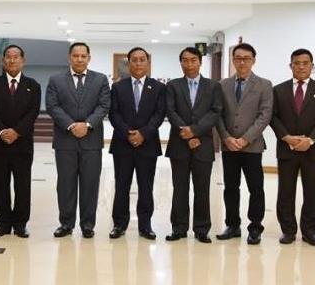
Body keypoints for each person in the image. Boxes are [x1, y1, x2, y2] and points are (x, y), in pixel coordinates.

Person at [45, 42, 111, 239]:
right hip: (65, 141)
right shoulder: (56, 80)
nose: (79, 59)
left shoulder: (100, 79)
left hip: (91, 142)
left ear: (89, 58)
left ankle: (88, 225)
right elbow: (52, 106)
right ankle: (66, 224)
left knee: (90, 184)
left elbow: (104, 105)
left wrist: (87, 125)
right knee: (65, 184)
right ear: (69, 57)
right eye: (75, 56)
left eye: (83, 56)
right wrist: (72, 125)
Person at [270, 48, 315, 246]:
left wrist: (311, 140)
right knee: (285, 192)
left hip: (312, 150)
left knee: (312, 192)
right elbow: (273, 117)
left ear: (311, 66)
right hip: (286, 149)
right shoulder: (279, 90)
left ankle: (309, 231)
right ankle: (288, 231)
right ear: (291, 66)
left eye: (305, 63)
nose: (301, 67)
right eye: (297, 63)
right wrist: (286, 137)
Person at [215, 42, 273, 245]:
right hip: (229, 145)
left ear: (253, 60)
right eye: (238, 58)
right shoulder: (223, 85)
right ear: (233, 60)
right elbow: (217, 114)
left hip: (252, 146)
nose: (242, 62)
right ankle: (232, 225)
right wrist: (226, 137)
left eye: (246, 58)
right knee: (231, 187)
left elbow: (265, 115)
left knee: (255, 188)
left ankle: (255, 227)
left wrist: (245, 139)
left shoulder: (264, 85)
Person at [164, 46, 223, 243]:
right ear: (180, 63)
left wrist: (195, 131)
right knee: (179, 188)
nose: (189, 64)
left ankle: (202, 229)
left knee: (202, 189)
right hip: (179, 145)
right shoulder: (173, 86)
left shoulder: (213, 86)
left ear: (200, 62)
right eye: (185, 60)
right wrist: (187, 134)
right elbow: (170, 111)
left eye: (193, 60)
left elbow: (215, 111)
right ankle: (179, 228)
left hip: (203, 144)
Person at [0, 44, 41, 238]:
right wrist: (2, 131)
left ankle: (20, 224)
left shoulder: (33, 85)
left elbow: (32, 113)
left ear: (23, 61)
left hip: (23, 145)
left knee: (22, 186)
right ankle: (3, 223)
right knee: (0, 185)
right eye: (8, 56)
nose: (12, 60)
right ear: (3, 60)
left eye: (16, 57)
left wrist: (16, 132)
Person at [107, 47, 166, 240]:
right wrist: (128, 133)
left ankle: (145, 225)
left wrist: (143, 134)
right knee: (121, 186)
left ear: (147, 62)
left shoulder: (158, 87)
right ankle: (119, 224)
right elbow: (113, 114)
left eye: (142, 59)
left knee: (146, 187)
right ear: (129, 63)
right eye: (134, 60)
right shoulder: (118, 87)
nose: (138, 63)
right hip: (122, 144)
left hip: (148, 145)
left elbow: (159, 115)